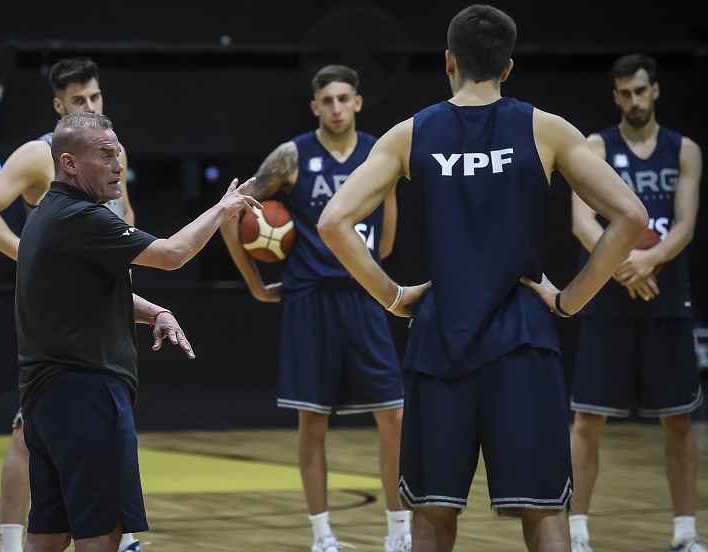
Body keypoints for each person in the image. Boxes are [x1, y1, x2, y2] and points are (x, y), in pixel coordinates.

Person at [318, 5, 650, 552]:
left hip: (439, 338)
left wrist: (393, 296)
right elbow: (632, 217)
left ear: (449, 61)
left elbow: (333, 222)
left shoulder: (409, 134)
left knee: (431, 512)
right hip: (523, 339)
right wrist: (569, 300)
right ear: (507, 66)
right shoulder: (546, 129)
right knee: (544, 509)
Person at [15, 111, 259, 551]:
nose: (118, 166)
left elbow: (87, 294)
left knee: (48, 535)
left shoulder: (46, 214)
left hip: (46, 401)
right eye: (106, 156)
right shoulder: (80, 217)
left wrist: (154, 312)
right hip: (88, 394)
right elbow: (172, 254)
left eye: (119, 155)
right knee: (101, 534)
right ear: (69, 163)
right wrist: (222, 209)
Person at [219, 64, 412, 552]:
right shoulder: (292, 156)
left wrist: (374, 270)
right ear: (314, 107)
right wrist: (256, 285)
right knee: (313, 421)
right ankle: (322, 535)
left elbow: (388, 233)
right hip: (310, 300)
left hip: (364, 296)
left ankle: (399, 532)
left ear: (358, 102)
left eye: (344, 98)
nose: (336, 108)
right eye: (327, 100)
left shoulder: (380, 151)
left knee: (394, 417)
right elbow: (229, 214)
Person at [0, 57, 140, 552]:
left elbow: (126, 223)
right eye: (79, 100)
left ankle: (96, 532)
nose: (90, 105)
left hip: (103, 320)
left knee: (95, 430)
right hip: (62, 329)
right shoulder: (41, 153)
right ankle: (12, 540)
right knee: (26, 434)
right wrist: (29, 254)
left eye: (95, 96)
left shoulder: (110, 154)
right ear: (59, 106)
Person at [568, 54, 705, 552]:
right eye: (625, 93)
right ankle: (576, 535)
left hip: (666, 299)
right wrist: (623, 264)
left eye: (641, 91)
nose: (634, 100)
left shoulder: (684, 149)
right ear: (615, 97)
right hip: (609, 298)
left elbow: (686, 223)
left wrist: (650, 260)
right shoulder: (596, 146)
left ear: (655, 91)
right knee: (587, 422)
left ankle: (685, 535)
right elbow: (581, 222)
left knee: (678, 422)